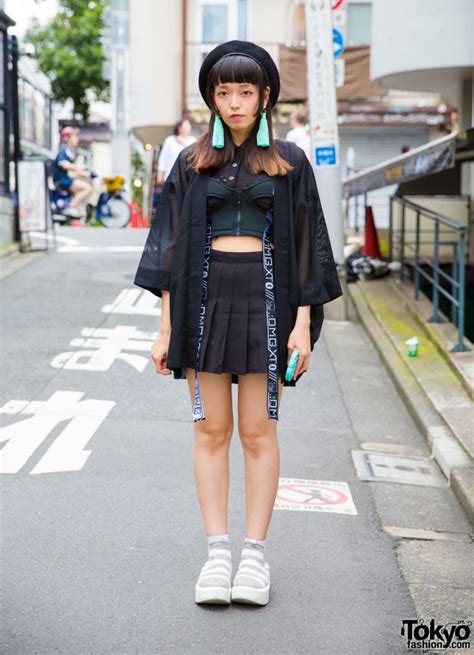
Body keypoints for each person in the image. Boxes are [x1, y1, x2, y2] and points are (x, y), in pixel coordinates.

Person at [134, 40, 342, 607]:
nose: (234, 102)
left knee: (257, 431)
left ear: (265, 95)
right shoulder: (191, 161)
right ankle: (216, 553)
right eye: (222, 92)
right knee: (210, 430)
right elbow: (170, 251)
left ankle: (254, 555)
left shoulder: (290, 162)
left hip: (269, 301)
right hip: (203, 301)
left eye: (245, 91)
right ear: (212, 97)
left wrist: (302, 324)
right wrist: (163, 328)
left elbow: (306, 248)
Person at [52, 127, 94, 218]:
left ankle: (75, 208)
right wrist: (82, 171)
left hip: (65, 179)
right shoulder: (63, 150)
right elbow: (65, 165)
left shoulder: (69, 151)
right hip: (62, 181)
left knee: (84, 183)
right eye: (74, 136)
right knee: (87, 188)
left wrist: (83, 173)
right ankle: (70, 208)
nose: (77, 139)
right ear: (67, 138)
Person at [153, 119, 196, 208]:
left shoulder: (192, 140)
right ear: (179, 128)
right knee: (171, 201)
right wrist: (160, 174)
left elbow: (193, 154)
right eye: (186, 125)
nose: (189, 127)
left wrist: (182, 142)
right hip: (171, 176)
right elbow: (163, 158)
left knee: (185, 201)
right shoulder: (170, 140)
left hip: (187, 176)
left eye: (189, 125)